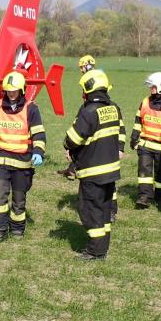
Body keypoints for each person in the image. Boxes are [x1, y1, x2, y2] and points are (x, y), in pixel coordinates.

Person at [0, 71, 46, 242]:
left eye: (14, 90)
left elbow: (39, 134)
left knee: (19, 199)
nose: (11, 93)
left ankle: (17, 230)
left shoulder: (32, 109)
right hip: (0, 161)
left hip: (22, 163)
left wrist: (38, 152)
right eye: (8, 90)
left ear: (22, 89)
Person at [64, 70, 124, 260]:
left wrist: (69, 147)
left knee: (90, 210)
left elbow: (72, 139)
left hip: (93, 171)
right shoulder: (113, 108)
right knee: (105, 209)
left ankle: (95, 251)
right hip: (111, 170)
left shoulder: (89, 111)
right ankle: (102, 247)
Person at [58, 54, 123, 221]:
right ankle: (109, 212)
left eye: (82, 67)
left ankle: (108, 212)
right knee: (109, 182)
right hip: (106, 154)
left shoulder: (94, 85)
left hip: (98, 154)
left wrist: (70, 146)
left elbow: (115, 127)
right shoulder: (107, 102)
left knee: (103, 185)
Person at [129, 72, 161, 209]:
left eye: (153, 87)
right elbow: (138, 121)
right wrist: (134, 137)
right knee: (144, 173)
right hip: (145, 145)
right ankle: (144, 197)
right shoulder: (145, 102)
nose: (151, 89)